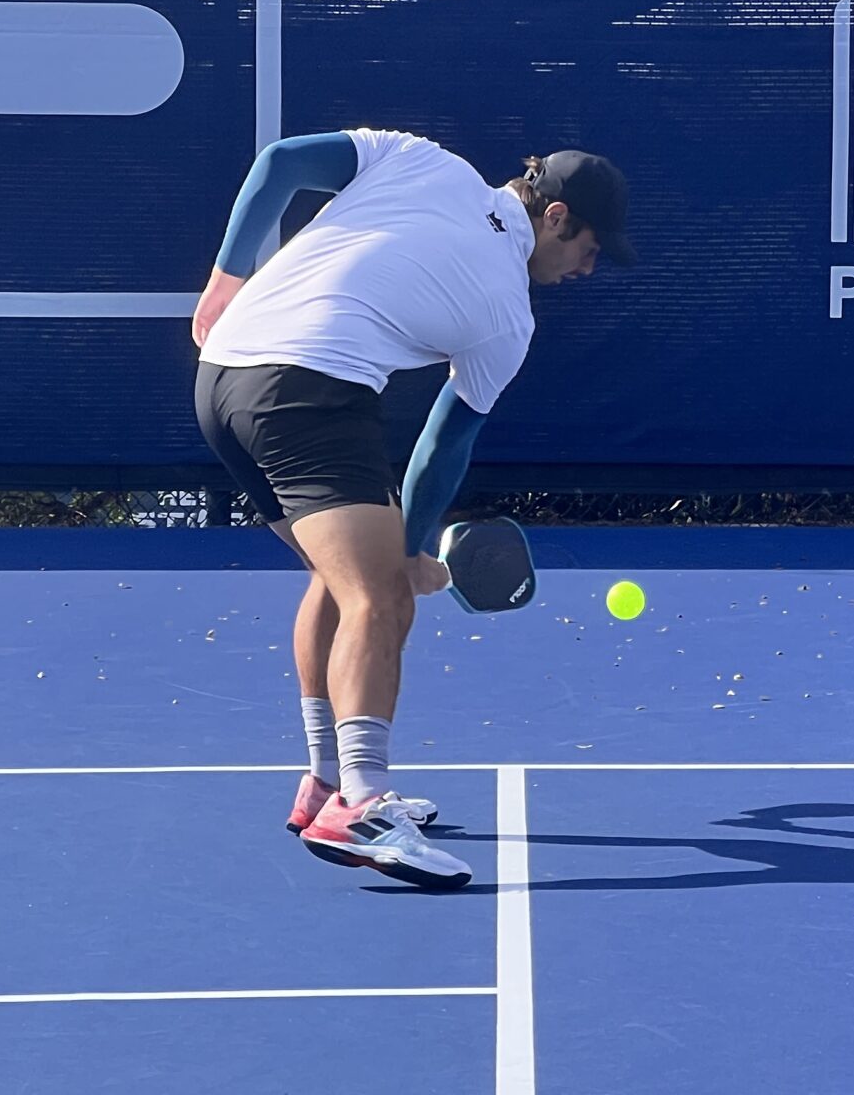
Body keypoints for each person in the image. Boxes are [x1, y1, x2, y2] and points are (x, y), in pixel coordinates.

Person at [190, 129, 632, 888]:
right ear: (556, 217)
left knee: (337, 581)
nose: (588, 269)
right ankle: (362, 807)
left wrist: (226, 279)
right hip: (308, 392)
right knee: (379, 596)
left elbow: (279, 163)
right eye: (590, 250)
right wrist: (411, 555)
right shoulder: (508, 315)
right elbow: (442, 443)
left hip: (220, 379)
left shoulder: (420, 158)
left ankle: (325, 782)